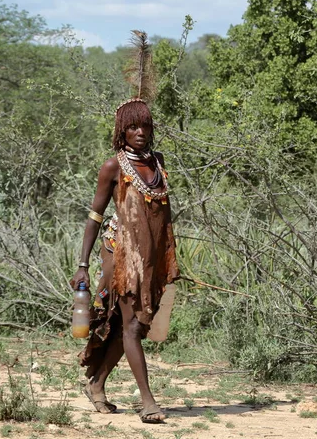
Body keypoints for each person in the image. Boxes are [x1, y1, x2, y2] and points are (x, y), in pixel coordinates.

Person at [71, 98, 179, 424]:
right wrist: (83, 264)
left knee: (128, 325)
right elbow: (94, 216)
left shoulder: (157, 162)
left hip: (151, 258)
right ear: (122, 130)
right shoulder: (113, 167)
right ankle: (147, 401)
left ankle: (97, 384)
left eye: (145, 125)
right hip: (120, 254)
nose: (140, 132)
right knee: (132, 324)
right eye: (133, 126)